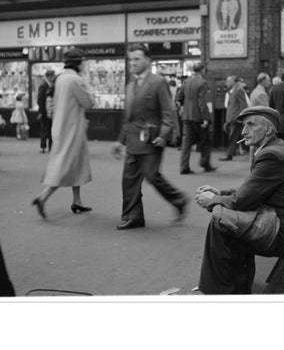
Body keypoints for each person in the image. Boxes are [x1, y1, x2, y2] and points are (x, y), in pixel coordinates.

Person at [194, 106, 284, 294]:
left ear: (268, 129)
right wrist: (220, 192)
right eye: (243, 126)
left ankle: (218, 293)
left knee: (222, 224)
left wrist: (212, 200)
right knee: (228, 221)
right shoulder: (274, 148)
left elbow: (242, 201)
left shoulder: (271, 155)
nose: (243, 131)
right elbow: (254, 190)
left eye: (250, 125)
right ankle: (234, 290)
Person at [111, 43, 189, 230]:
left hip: (152, 140)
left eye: (137, 59)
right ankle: (133, 216)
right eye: (131, 60)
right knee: (129, 179)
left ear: (148, 60)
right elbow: (128, 118)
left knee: (152, 176)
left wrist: (164, 135)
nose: (133, 63)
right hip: (132, 140)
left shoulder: (158, 82)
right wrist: (119, 141)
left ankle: (179, 200)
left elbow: (168, 112)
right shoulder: (130, 85)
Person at [31, 48, 94, 220]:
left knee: (76, 163)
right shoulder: (76, 80)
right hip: (72, 129)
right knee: (65, 165)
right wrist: (88, 84)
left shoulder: (60, 78)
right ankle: (43, 197)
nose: (85, 64)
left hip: (61, 127)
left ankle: (77, 201)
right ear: (78, 63)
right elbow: (89, 103)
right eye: (84, 61)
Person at [177, 62, 216, 174]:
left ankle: (184, 167)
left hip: (186, 116)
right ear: (202, 70)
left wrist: (181, 106)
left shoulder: (187, 81)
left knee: (186, 142)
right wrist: (205, 119)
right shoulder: (202, 83)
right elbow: (201, 102)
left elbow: (179, 97)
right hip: (198, 117)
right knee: (206, 140)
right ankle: (205, 163)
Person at [220, 75, 248, 161]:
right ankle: (231, 153)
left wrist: (241, 117)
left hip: (236, 119)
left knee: (232, 137)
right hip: (231, 118)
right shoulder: (232, 91)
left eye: (228, 81)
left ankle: (229, 154)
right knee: (233, 136)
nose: (226, 83)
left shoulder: (239, 90)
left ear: (233, 81)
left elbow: (243, 105)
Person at [37, 69, 56, 153]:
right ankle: (43, 146)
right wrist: (41, 112)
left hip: (51, 111)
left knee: (51, 130)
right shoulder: (43, 86)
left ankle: (51, 147)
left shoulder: (53, 85)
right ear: (48, 77)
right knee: (44, 129)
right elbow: (40, 99)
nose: (54, 77)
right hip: (44, 112)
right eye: (52, 76)